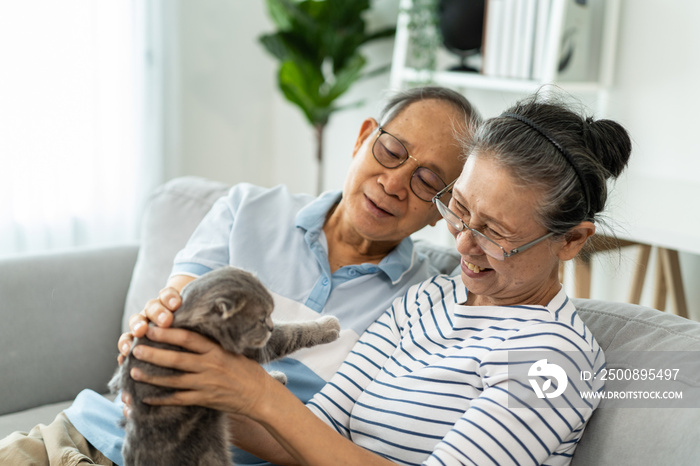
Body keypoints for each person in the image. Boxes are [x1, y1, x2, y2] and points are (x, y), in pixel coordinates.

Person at [126, 92, 631, 465]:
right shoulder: (427, 300)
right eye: (459, 212)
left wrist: (259, 394)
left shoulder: (553, 359)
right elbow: (313, 433)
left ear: (571, 241)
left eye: (495, 234)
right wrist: (188, 386)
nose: (462, 245)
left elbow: (289, 420)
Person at [0, 85, 481, 466]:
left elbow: (337, 446)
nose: (394, 184)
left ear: (444, 210)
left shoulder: (425, 306)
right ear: (362, 138)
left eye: (427, 181)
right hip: (84, 434)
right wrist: (153, 333)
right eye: (392, 150)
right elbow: (173, 314)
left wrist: (239, 393)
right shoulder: (248, 208)